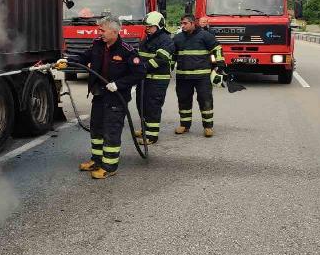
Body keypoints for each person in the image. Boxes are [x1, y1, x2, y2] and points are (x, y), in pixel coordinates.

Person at [56, 16, 145, 179]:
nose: (99, 33)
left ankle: (110, 166)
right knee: (96, 129)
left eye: (102, 30)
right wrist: (67, 61)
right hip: (99, 94)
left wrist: (118, 84)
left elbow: (139, 73)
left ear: (114, 31)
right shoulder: (98, 44)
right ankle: (96, 160)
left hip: (116, 98)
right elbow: (84, 58)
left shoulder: (127, 50)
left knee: (111, 131)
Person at [172, 14, 224, 137]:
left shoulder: (205, 36)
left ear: (193, 23)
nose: (182, 26)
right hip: (183, 77)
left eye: (185, 23)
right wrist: (168, 69)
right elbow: (173, 55)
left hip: (202, 77)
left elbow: (217, 48)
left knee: (205, 101)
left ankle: (208, 127)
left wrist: (220, 64)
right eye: (181, 23)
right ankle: (184, 125)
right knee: (183, 101)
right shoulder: (178, 38)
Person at [134, 11, 175, 145]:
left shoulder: (166, 40)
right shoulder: (147, 38)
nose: (147, 29)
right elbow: (140, 55)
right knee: (141, 104)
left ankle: (152, 136)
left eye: (150, 26)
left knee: (153, 106)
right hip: (144, 78)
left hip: (157, 80)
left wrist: (143, 67)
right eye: (146, 26)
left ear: (159, 26)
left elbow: (161, 59)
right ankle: (145, 128)